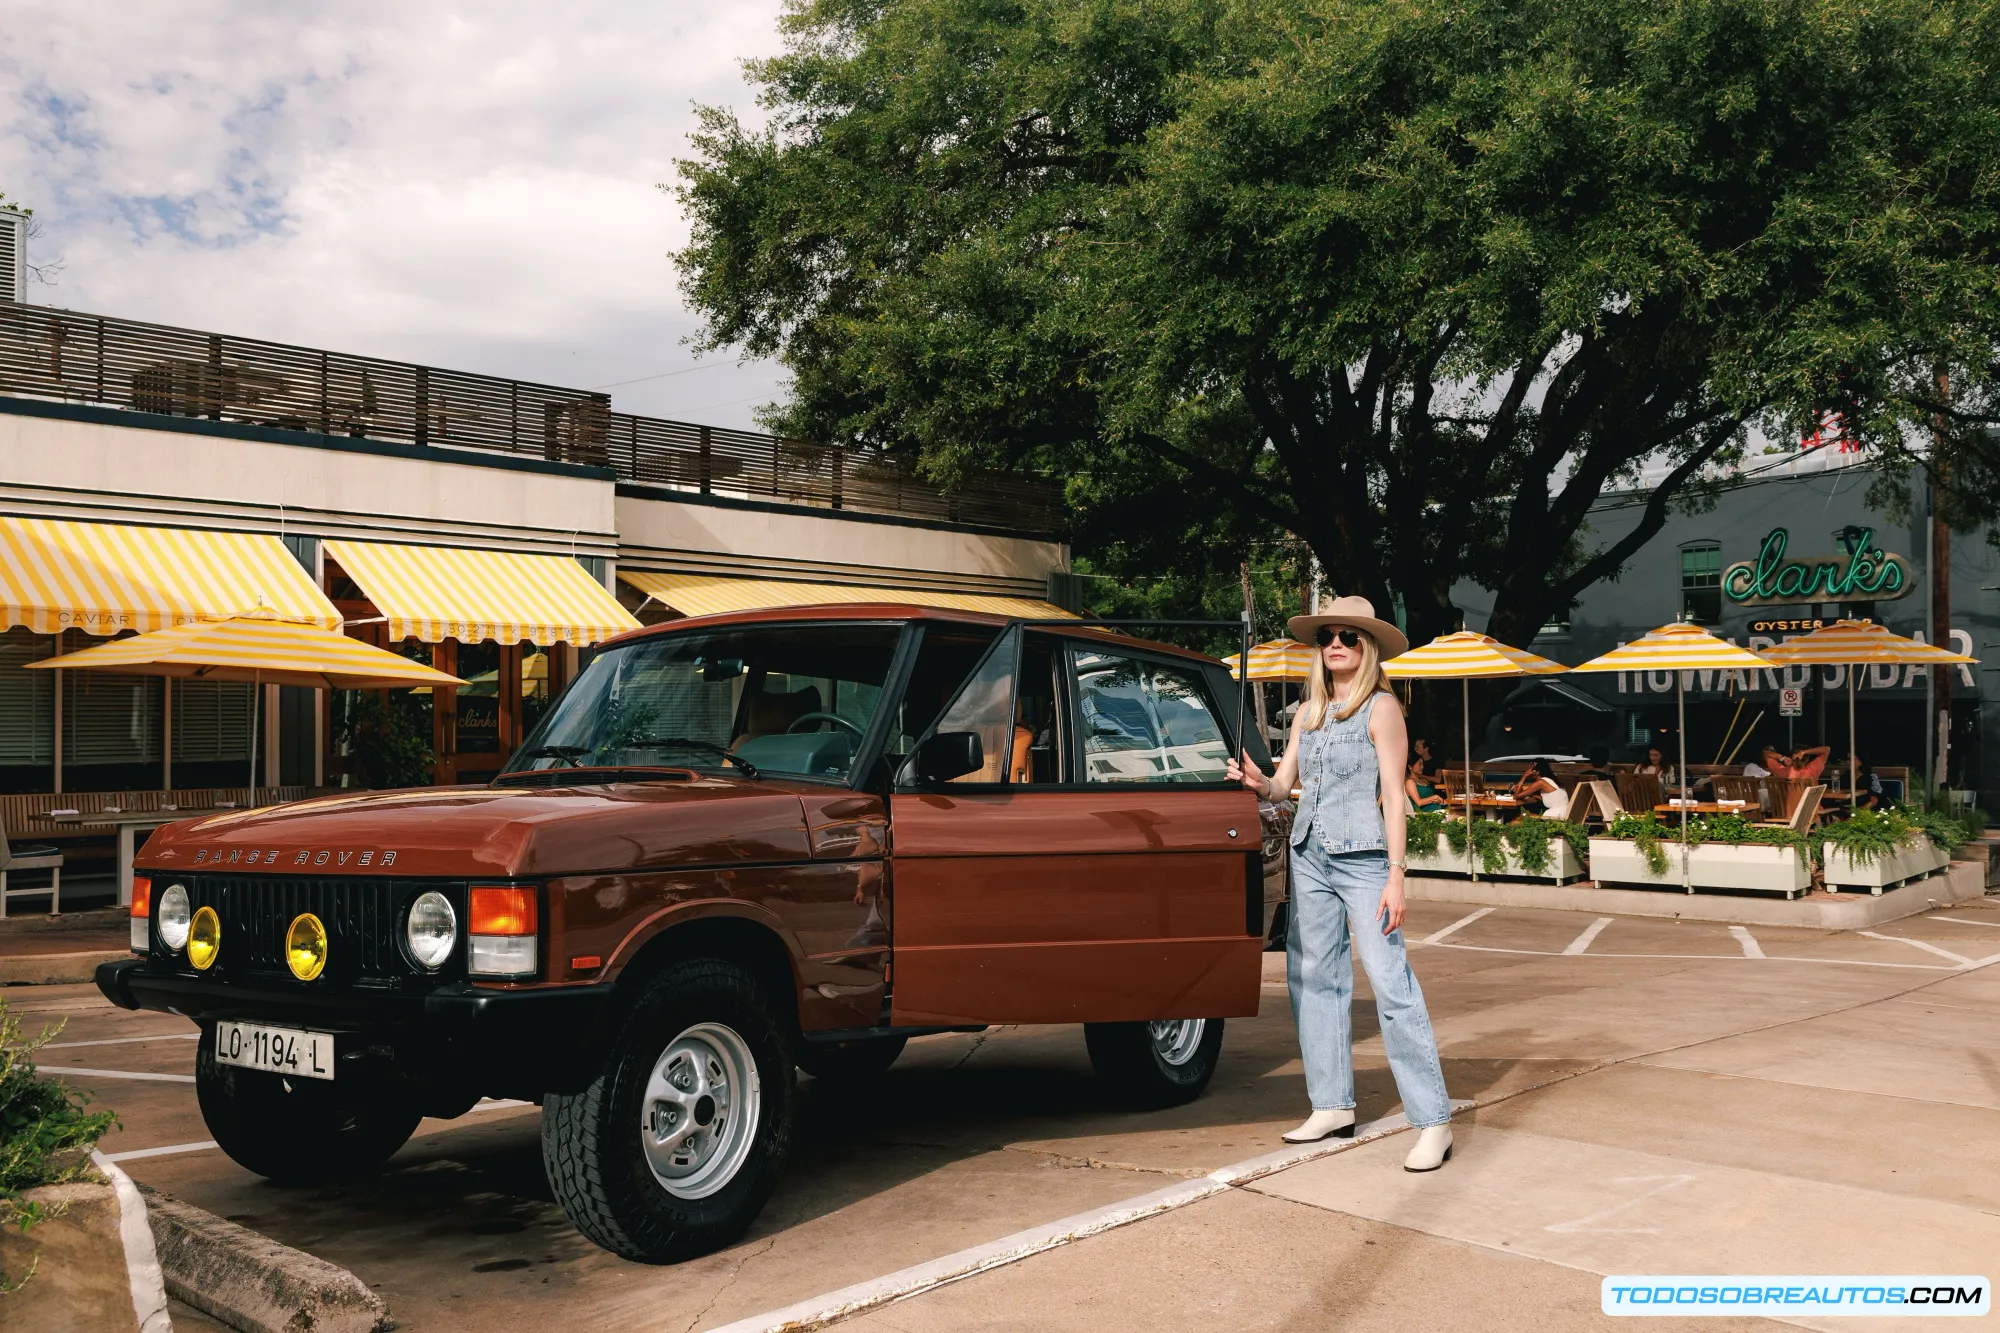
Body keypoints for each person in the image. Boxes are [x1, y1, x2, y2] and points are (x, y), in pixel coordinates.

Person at [1227, 595, 1453, 1172]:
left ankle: (1433, 1120)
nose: (1335, 644)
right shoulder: (1308, 713)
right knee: (1314, 980)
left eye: (1348, 637)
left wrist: (1397, 877)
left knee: (1390, 983)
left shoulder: (1382, 710)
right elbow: (1284, 789)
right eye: (1327, 635)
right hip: (1309, 857)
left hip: (1366, 860)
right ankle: (1331, 1105)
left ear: (1367, 647)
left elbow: (1397, 799)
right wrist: (1258, 781)